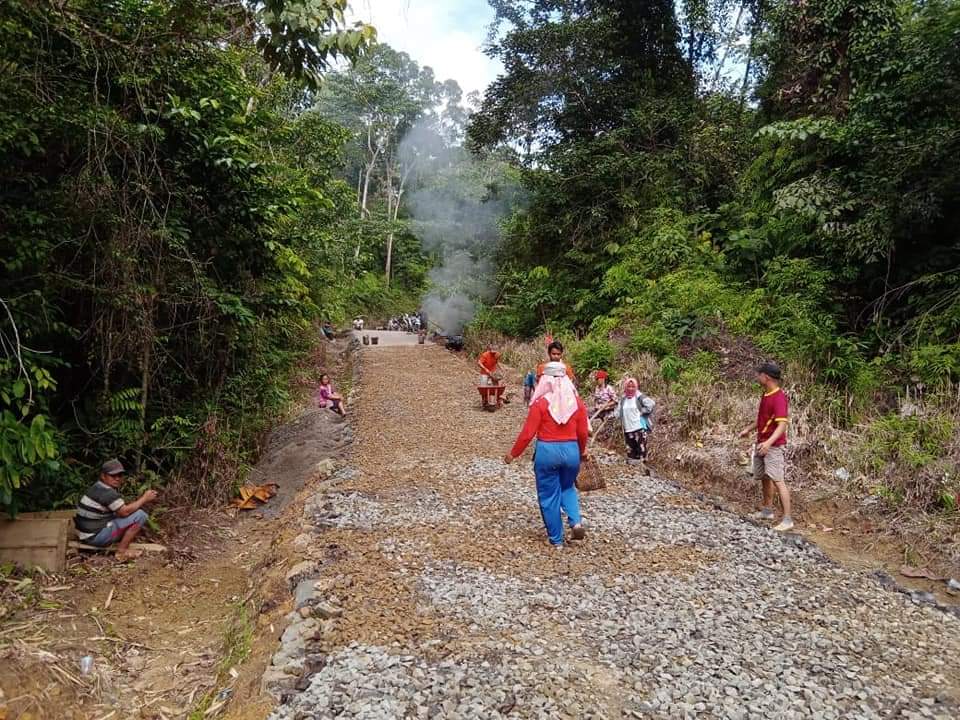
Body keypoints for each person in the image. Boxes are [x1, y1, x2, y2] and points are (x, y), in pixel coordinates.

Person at [504, 362, 590, 548]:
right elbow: (583, 433)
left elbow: (528, 433)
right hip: (571, 452)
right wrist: (582, 451)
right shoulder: (577, 403)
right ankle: (576, 522)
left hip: (547, 452)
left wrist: (513, 454)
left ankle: (556, 540)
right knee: (567, 487)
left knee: (549, 495)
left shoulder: (540, 404)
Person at [739, 362, 793, 531]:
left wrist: (769, 443)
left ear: (766, 377)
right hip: (762, 443)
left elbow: (782, 425)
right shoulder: (766, 395)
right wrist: (748, 429)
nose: (757, 377)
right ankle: (767, 510)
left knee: (778, 480)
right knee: (765, 477)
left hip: (773, 446)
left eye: (759, 375)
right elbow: (762, 418)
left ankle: (787, 519)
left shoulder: (779, 398)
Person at [74, 459, 157, 561]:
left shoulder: (97, 487)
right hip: (95, 538)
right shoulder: (107, 492)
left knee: (124, 514)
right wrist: (144, 498)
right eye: (113, 476)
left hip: (85, 535)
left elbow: (120, 511)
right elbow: (124, 512)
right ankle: (121, 552)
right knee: (140, 515)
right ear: (103, 476)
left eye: (120, 475)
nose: (117, 479)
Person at [617, 378, 655, 466]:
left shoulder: (639, 397)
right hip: (628, 429)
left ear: (636, 387)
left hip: (639, 428)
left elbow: (651, 404)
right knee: (631, 452)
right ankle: (634, 473)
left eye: (633, 386)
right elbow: (618, 412)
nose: (630, 389)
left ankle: (645, 472)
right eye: (628, 386)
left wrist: (642, 411)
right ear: (625, 387)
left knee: (642, 451)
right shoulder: (623, 400)